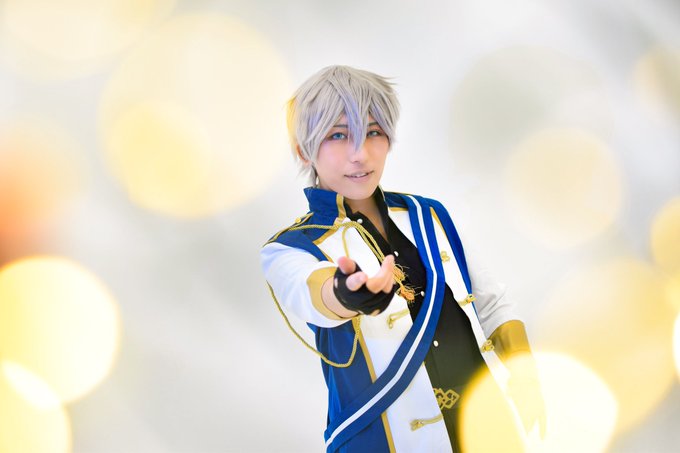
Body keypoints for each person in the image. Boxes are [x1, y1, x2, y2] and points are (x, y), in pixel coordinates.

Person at [261, 65, 544, 452]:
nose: (360, 154)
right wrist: (347, 293)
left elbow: (490, 302)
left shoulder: (427, 215)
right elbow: (312, 292)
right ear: (303, 150)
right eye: (338, 135)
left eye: (373, 132)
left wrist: (523, 372)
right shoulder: (290, 247)